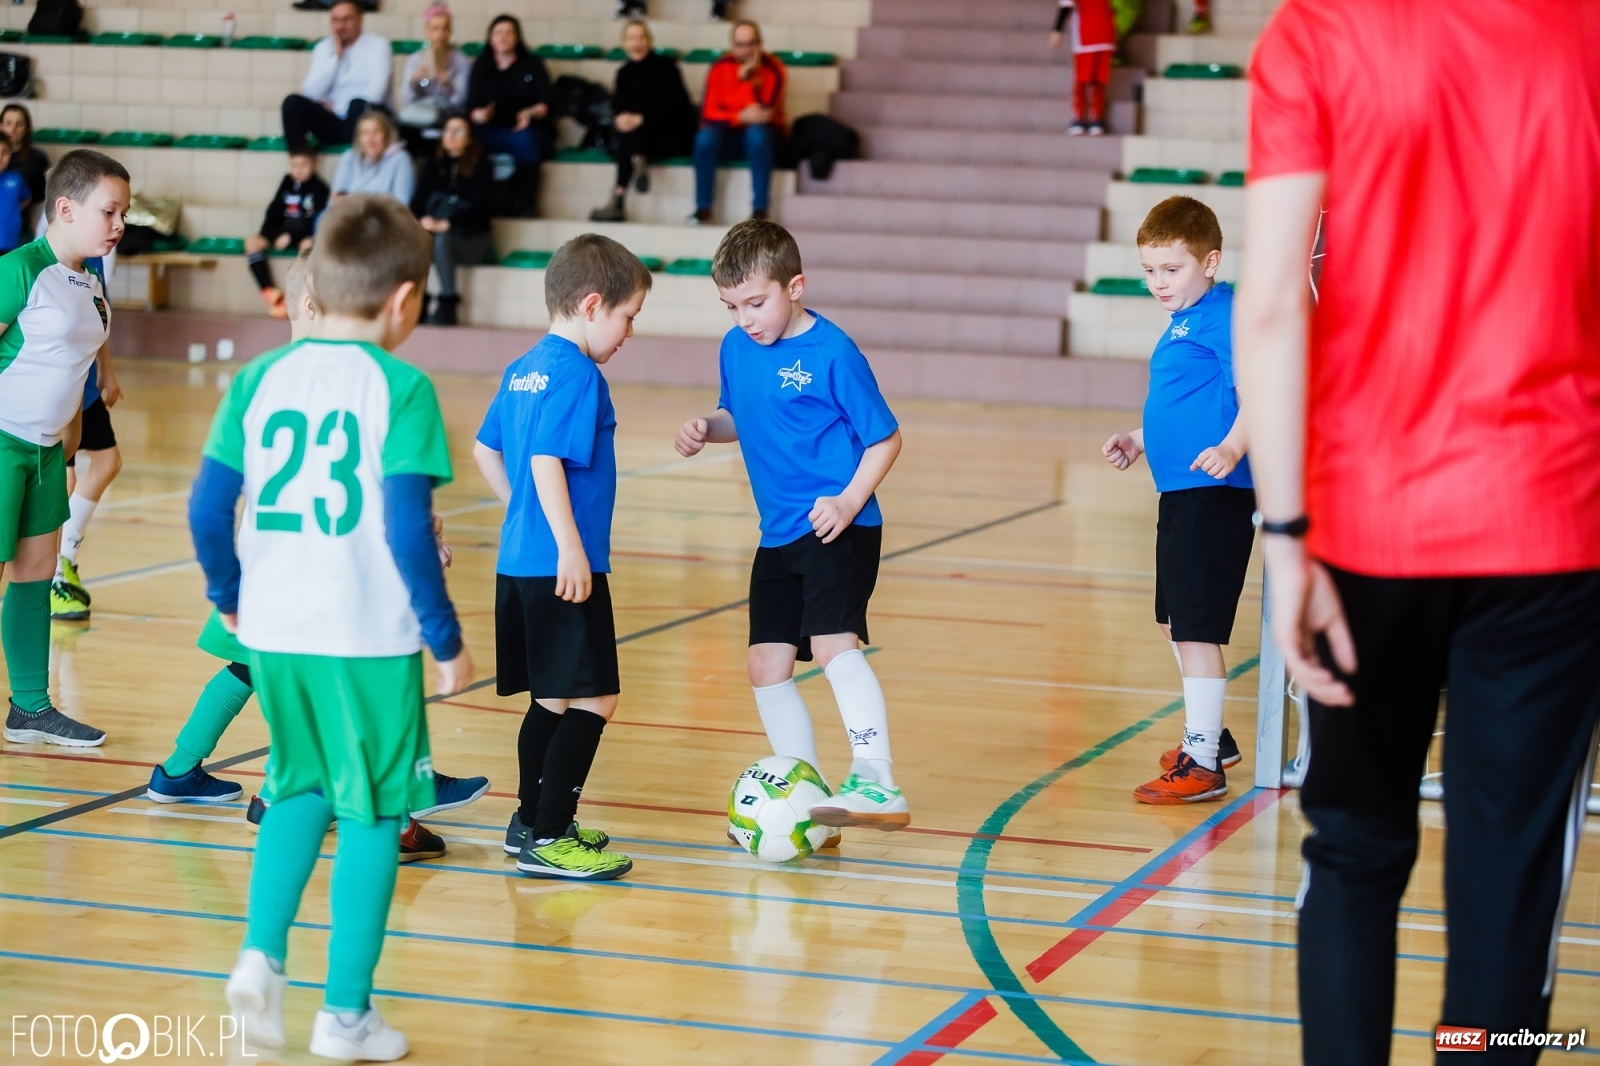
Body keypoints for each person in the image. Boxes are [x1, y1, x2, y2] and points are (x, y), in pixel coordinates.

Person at [1235, 2, 1600, 1062]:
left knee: (1349, 848)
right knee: (1507, 873)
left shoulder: (1316, 32)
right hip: (1552, 520)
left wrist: (1286, 536)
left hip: (1360, 523)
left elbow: (1268, 303)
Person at [194, 195, 473, 1059]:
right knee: (375, 815)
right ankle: (344, 1014)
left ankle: (260, 957)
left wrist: (227, 590)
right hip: (365, 634)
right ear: (403, 301)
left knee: (298, 784)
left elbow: (209, 505)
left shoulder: (258, 377)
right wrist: (445, 633)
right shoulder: (404, 387)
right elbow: (402, 527)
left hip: (275, 628)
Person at [154, 256, 486, 865]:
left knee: (255, 670)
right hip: (304, 560)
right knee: (338, 676)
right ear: (312, 307)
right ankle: (388, 800)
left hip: (274, 560)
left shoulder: (266, 378)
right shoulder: (354, 383)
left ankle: (182, 771)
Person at [674, 220, 909, 829]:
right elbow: (738, 414)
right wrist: (708, 427)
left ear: (795, 286)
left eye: (756, 303)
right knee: (766, 665)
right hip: (777, 533)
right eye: (731, 306)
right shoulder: (735, 348)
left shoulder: (833, 352)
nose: (744, 318)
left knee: (834, 645)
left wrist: (849, 500)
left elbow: (885, 438)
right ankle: (803, 798)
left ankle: (877, 779)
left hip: (840, 526)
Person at [472, 234, 653, 881]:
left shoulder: (524, 367)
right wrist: (569, 545)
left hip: (520, 560)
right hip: (559, 565)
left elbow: (485, 450)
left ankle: (531, 821)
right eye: (628, 317)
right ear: (593, 304)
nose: (628, 332)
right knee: (595, 698)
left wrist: (522, 512)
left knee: (552, 699)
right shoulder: (580, 372)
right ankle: (549, 836)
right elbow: (546, 458)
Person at [1101, 196, 1251, 804]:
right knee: (1176, 621)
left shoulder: (1224, 315)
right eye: (1150, 271)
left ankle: (1204, 763)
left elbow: (1261, 388)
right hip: (1181, 490)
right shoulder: (1188, 319)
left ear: (1210, 261)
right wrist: (1141, 439)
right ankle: (1213, 737)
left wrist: (1234, 447)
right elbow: (1191, 402)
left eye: (1172, 269)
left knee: (1195, 628)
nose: (1159, 283)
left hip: (1211, 492)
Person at [0, 150, 127, 748]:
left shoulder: (92, 286)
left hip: (47, 453)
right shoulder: (21, 269)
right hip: (3, 444)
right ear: (66, 208)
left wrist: (69, 446)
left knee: (35, 573)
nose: (119, 224)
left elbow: (72, 373)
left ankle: (29, 707)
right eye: (109, 210)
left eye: (123, 212)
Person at [589, 19, 697, 223]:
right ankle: (637, 161)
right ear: (624, 43)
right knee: (627, 134)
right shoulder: (624, 73)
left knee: (633, 134)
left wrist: (641, 118)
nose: (636, 42)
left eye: (641, 37)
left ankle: (618, 198)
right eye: (631, 38)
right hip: (639, 137)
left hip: (670, 133)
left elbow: (674, 107)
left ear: (649, 41)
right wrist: (621, 119)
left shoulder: (667, 68)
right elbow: (619, 105)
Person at [49, 332, 124, 622]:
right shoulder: (37, 284)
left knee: (108, 462)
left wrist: (107, 370)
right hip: (58, 381)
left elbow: (98, 321)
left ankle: (64, 559)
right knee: (63, 479)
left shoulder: (96, 283)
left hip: (85, 386)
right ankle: (53, 578)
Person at [688, 20, 787, 225]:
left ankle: (761, 209)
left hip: (764, 136)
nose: (747, 50)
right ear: (733, 46)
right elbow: (709, 114)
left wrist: (749, 80)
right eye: (741, 44)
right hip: (729, 134)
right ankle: (702, 208)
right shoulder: (719, 67)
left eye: (752, 43)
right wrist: (739, 115)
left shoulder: (774, 68)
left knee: (756, 134)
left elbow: (764, 111)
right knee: (704, 139)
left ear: (760, 44)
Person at [411, 114, 494, 327]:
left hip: (472, 239)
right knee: (417, 240)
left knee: (442, 240)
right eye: (448, 130)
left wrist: (448, 223)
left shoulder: (482, 166)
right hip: (437, 235)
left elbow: (481, 209)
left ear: (470, 138)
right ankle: (419, 299)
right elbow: (417, 203)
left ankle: (448, 303)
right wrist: (423, 221)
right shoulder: (433, 165)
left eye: (458, 131)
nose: (451, 136)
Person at [466, 14, 551, 219]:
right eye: (498, 33)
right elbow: (470, 106)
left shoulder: (532, 64)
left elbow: (546, 103)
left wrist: (529, 113)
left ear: (517, 37)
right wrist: (480, 115)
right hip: (488, 129)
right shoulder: (481, 65)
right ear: (490, 37)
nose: (503, 37)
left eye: (509, 32)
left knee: (528, 142)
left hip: (521, 130)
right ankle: (475, 201)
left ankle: (525, 202)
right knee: (467, 140)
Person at [281, 0, 393, 154]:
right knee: (292, 103)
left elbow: (376, 94)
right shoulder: (323, 48)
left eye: (346, 19)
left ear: (360, 19)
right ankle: (300, 161)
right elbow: (310, 92)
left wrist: (339, 105)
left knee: (357, 104)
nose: (340, 26)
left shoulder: (378, 45)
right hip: (332, 120)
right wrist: (336, 57)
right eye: (335, 20)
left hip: (362, 119)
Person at [245, 149, 329, 317]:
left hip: (304, 234)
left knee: (308, 246)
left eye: (303, 165)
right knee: (252, 243)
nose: (298, 170)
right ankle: (270, 293)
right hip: (282, 233)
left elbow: (314, 221)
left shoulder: (320, 188)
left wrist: (291, 236)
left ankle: (303, 296)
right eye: (294, 166)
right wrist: (272, 235)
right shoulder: (286, 183)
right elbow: (274, 211)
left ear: (314, 164)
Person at [397, 4, 472, 157]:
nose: (440, 34)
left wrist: (448, 85)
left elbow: (462, 103)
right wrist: (415, 82)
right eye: (435, 28)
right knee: (404, 131)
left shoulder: (460, 61)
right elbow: (407, 100)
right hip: (424, 114)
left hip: (448, 114)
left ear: (450, 31)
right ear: (427, 30)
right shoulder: (416, 60)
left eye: (445, 28)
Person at [1049, 0, 1115, 136]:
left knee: (1081, 80)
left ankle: (1079, 119)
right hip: (1106, 33)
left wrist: (1057, 30)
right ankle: (1096, 120)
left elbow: (1066, 6)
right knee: (1099, 81)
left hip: (1085, 36)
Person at [330, 111, 415, 207]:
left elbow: (402, 205)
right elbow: (335, 199)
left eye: (377, 132)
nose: (370, 139)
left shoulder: (400, 159)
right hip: (349, 216)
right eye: (365, 133)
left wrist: (353, 201)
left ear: (387, 134)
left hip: (382, 218)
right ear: (359, 137)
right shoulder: (349, 157)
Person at [1, 105, 49, 215]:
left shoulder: (37, 159)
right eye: (8, 123)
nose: (13, 129)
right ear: (1, 126)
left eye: (19, 124)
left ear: (26, 128)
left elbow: (43, 196)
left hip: (27, 214)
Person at [0, 135, 29, 255]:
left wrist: (12, 211)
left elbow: (26, 198)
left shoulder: (16, 179)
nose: (0, 157)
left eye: (4, 152)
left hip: (10, 242)